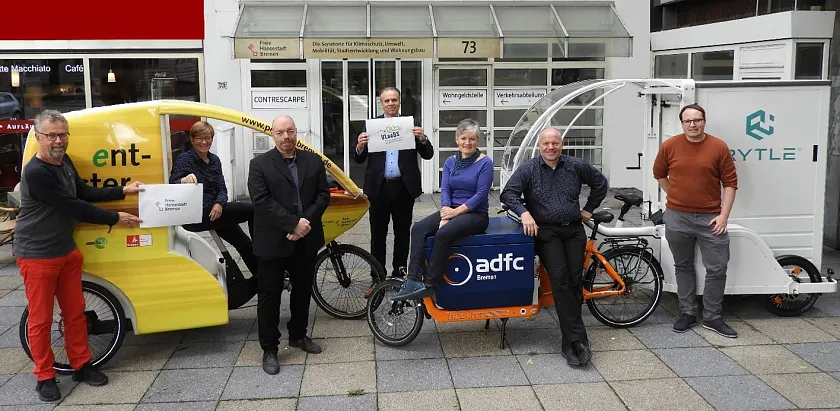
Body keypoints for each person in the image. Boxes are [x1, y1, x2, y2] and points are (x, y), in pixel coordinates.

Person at [13, 110, 144, 401]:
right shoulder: (36, 172)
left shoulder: (64, 162)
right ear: (38, 137)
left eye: (63, 134)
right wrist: (114, 219)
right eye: (52, 135)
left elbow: (84, 192)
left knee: (75, 313)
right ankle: (44, 376)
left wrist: (124, 189)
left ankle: (81, 365)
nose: (58, 141)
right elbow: (74, 206)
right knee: (41, 319)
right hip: (37, 256)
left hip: (66, 251)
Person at [500, 128, 608, 367]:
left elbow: (601, 183)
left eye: (555, 143)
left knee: (574, 282)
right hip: (546, 232)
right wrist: (525, 213)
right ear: (539, 146)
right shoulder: (529, 169)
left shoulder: (575, 165)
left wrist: (588, 210)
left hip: (573, 230)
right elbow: (507, 194)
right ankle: (577, 342)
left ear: (562, 144)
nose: (551, 147)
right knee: (560, 281)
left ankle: (569, 340)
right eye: (546, 143)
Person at [248, 115, 330, 375]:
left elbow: (322, 195)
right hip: (273, 240)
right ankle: (269, 349)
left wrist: (304, 223)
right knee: (270, 295)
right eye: (281, 132)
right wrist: (292, 224)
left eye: (291, 131)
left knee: (303, 289)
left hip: (306, 238)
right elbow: (262, 201)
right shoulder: (259, 164)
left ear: (297, 132)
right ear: (272, 135)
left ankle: (298, 335)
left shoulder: (312, 160)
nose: (286, 137)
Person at [653, 104, 738, 338]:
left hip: (711, 218)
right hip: (677, 217)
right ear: (682, 123)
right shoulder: (670, 146)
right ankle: (687, 312)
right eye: (688, 121)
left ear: (704, 122)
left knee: (717, 268)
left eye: (697, 120)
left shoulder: (718, 147)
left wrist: (723, 216)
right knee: (683, 266)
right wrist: (674, 195)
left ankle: (712, 317)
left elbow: (730, 184)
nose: (692, 124)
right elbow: (659, 174)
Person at [393, 119, 493, 300]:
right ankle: (413, 278)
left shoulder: (485, 163)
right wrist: (446, 212)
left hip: (475, 214)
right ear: (457, 139)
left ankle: (431, 283)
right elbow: (445, 189)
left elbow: (480, 195)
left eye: (472, 139)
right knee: (418, 228)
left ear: (478, 141)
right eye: (463, 138)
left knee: (443, 234)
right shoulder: (450, 162)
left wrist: (454, 213)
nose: (467, 143)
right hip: (451, 210)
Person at [354, 87, 434, 279]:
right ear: (381, 104)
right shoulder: (372, 126)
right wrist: (360, 146)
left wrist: (422, 139)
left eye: (394, 100)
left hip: (403, 188)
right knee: (378, 236)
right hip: (378, 188)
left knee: (402, 233)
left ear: (399, 102)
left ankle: (399, 273)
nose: (391, 104)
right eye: (387, 101)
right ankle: (377, 276)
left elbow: (428, 154)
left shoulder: (411, 124)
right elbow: (358, 159)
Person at [169, 121, 257, 275]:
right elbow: (172, 184)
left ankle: (262, 278)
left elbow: (222, 188)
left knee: (243, 243)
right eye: (200, 138)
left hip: (216, 211)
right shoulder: (185, 159)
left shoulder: (214, 160)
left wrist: (219, 203)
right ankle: (263, 249)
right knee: (253, 209)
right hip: (197, 214)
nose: (204, 142)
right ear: (192, 139)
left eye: (208, 138)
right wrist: (183, 181)